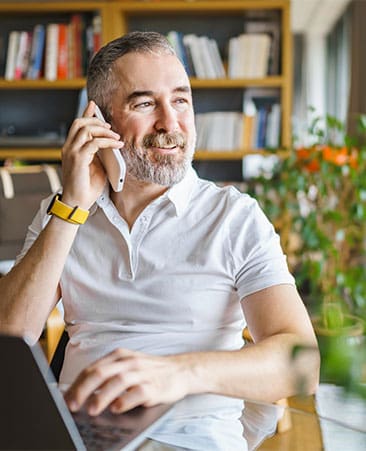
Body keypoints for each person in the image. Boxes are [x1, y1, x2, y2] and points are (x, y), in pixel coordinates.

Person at [0, 31, 320, 450]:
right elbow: (10, 336)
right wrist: (71, 207)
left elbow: (302, 363)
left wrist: (177, 374)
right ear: (100, 122)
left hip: (194, 441)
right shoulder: (62, 213)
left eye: (181, 99)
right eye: (145, 103)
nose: (171, 123)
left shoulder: (235, 218)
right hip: (82, 439)